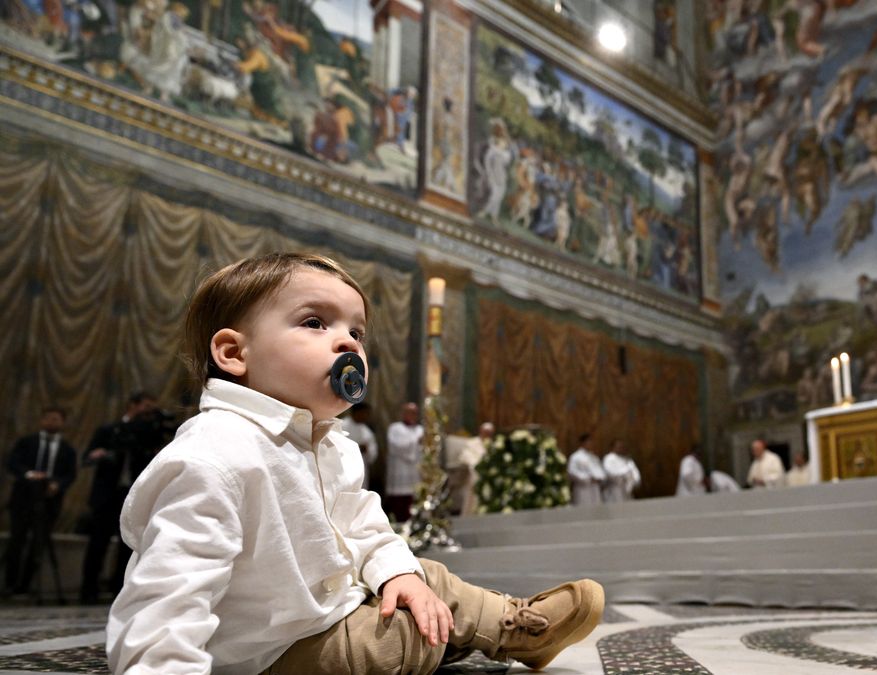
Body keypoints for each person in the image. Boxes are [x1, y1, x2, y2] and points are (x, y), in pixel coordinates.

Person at [107, 252, 604, 673]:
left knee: (426, 576)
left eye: (357, 332)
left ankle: (514, 627)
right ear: (234, 352)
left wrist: (396, 576)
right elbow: (169, 595)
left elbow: (365, 528)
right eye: (315, 323)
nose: (348, 343)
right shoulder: (215, 455)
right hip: (269, 651)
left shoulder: (334, 445)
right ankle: (457, 635)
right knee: (397, 639)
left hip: (330, 608)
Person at [80, 391, 163, 604]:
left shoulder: (149, 433)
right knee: (98, 543)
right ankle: (88, 591)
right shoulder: (109, 430)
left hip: (132, 497)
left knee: (128, 546)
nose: (149, 412)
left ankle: (120, 591)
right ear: (132, 405)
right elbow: (87, 458)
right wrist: (100, 454)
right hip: (106, 495)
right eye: (146, 406)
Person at [4, 406, 76, 594]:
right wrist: (29, 475)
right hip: (23, 498)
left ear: (62, 422)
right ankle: (9, 584)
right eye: (49, 418)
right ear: (42, 420)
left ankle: (25, 585)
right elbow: (13, 463)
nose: (52, 422)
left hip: (49, 502)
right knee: (16, 541)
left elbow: (70, 474)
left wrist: (57, 484)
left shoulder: (67, 449)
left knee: (39, 543)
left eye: (56, 419)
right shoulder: (27, 442)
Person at [385, 402, 423, 522]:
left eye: (415, 413)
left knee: (415, 499)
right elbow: (396, 446)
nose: (412, 415)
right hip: (399, 469)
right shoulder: (395, 428)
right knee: (399, 503)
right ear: (403, 413)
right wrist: (416, 441)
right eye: (409, 412)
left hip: (415, 471)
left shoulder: (420, 429)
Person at [446, 422, 492, 516]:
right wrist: (477, 465)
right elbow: (465, 456)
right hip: (474, 474)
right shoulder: (472, 443)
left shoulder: (493, 444)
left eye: (489, 433)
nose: (487, 435)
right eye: (486, 432)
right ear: (481, 431)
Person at [341, 402, 377, 491]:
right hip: (344, 468)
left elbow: (373, 452)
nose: (366, 416)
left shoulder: (366, 431)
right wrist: (356, 448)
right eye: (365, 413)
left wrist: (367, 450)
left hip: (361, 468)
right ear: (356, 412)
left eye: (368, 413)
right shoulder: (342, 425)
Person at [567, 433, 604, 506]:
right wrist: (588, 479)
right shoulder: (575, 456)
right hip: (582, 488)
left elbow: (600, 471)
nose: (591, 444)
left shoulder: (594, 457)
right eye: (589, 441)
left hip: (595, 488)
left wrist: (599, 478)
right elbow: (572, 472)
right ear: (582, 442)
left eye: (592, 441)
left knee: (596, 511)